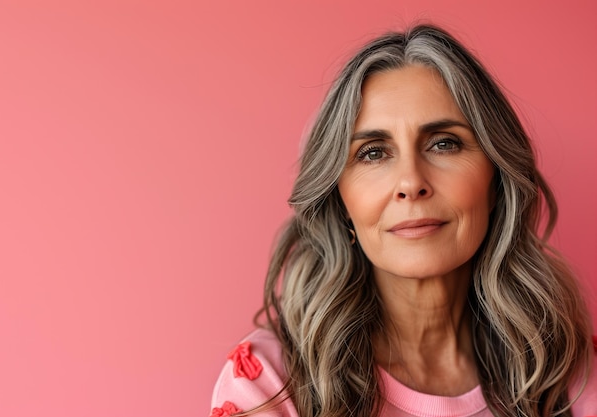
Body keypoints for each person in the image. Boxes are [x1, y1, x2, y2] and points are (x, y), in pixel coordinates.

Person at [209, 24, 597, 417]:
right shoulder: (270, 383)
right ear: (341, 199)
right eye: (373, 153)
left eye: (444, 143)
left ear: (495, 181)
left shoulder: (572, 375)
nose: (411, 183)